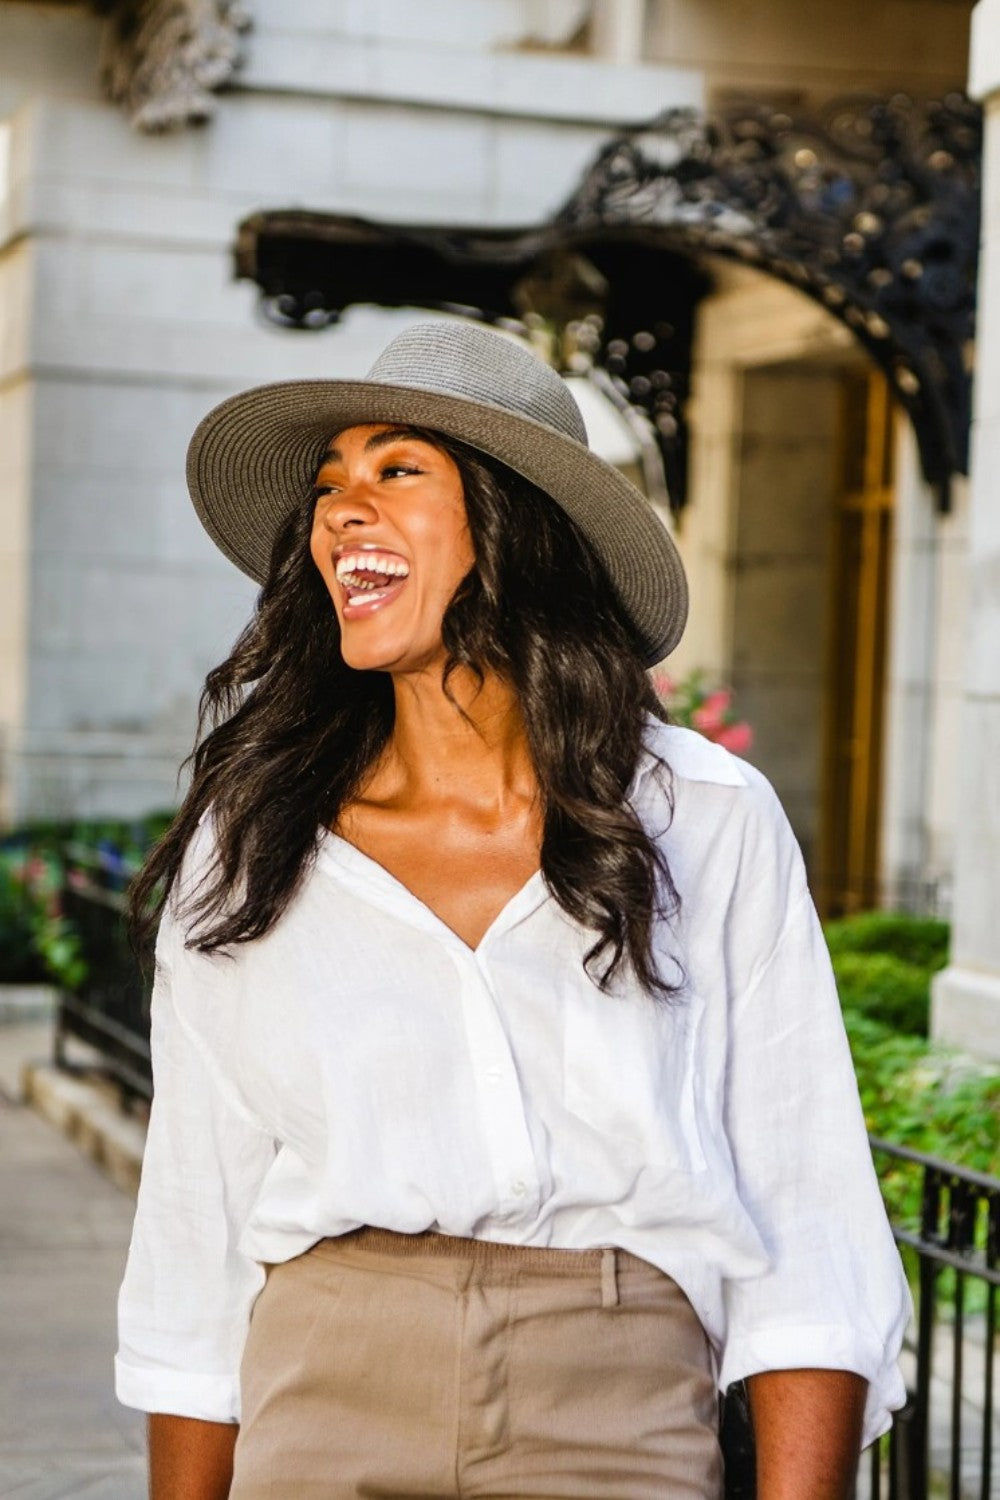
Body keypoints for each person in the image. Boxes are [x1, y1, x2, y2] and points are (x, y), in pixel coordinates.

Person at [116, 319, 911, 1500]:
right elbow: (195, 1230)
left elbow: (807, 1217)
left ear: (514, 526)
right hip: (322, 1395)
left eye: (395, 470)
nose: (340, 510)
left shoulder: (700, 819)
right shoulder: (253, 846)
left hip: (618, 1404)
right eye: (329, 484)